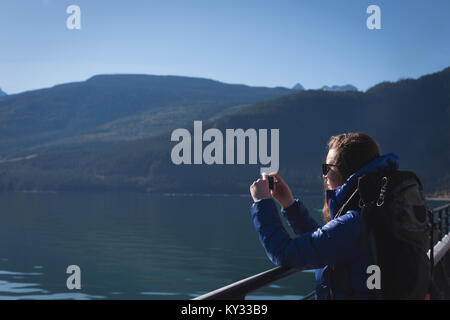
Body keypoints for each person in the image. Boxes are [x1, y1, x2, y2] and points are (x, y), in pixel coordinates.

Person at [249, 132, 400, 299]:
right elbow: (328, 241)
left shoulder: (354, 224)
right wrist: (289, 204)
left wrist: (262, 203)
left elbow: (284, 253)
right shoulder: (376, 213)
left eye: (328, 168)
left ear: (347, 171)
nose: (324, 174)